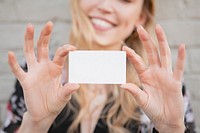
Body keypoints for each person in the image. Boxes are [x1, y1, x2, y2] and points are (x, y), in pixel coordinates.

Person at [1, 0, 196, 132]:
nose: (105, 6)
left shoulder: (164, 86)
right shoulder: (35, 74)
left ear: (141, 17)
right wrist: (34, 125)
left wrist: (172, 130)